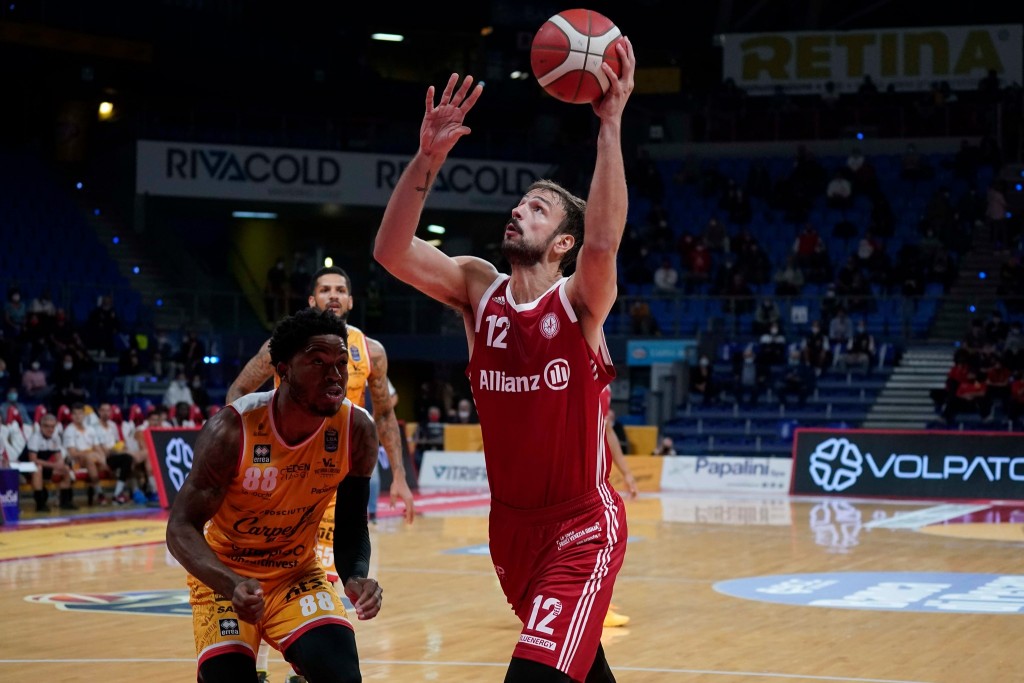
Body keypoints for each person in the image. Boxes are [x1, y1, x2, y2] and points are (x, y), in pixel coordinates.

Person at [373, 44, 634, 683]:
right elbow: (391, 251)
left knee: (534, 674)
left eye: (537, 209)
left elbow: (604, 242)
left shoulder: (578, 302)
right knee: (580, 671)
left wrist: (609, 124)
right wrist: (427, 159)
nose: (518, 210)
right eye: (520, 204)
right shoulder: (477, 289)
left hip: (582, 525)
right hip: (510, 530)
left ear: (563, 243)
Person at [166, 307, 384, 683]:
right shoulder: (231, 430)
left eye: (340, 363)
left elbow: (351, 526)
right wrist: (231, 584)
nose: (334, 375)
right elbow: (180, 528)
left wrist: (356, 576)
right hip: (225, 576)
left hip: (295, 575)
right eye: (318, 362)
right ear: (283, 370)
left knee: (342, 676)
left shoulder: (357, 429)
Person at [227, 265, 415, 683]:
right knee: (266, 561)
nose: (333, 295)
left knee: (329, 572)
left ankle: (308, 666)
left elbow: (385, 413)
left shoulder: (371, 351)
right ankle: (257, 664)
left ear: (350, 301)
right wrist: (240, 447)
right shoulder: (285, 345)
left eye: (341, 290)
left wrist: (400, 477)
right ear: (312, 300)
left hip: (336, 473)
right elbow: (239, 390)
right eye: (325, 289)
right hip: (284, 472)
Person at [23, 413, 77, 512]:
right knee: (37, 468)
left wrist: (61, 465)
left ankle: (65, 501)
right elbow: (33, 460)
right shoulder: (35, 438)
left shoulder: (55, 438)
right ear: (41, 426)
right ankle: (40, 504)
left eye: (52, 426)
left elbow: (58, 458)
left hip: (44, 466)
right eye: (47, 426)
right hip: (26, 468)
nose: (50, 429)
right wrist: (54, 465)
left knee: (66, 469)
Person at [62, 402, 110, 506]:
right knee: (89, 458)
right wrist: (90, 453)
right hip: (75, 461)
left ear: (84, 415)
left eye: (80, 414)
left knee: (100, 460)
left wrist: (102, 458)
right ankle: (100, 493)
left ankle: (106, 492)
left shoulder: (90, 429)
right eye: (75, 414)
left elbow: (98, 448)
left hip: (93, 459)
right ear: (71, 416)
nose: (78, 416)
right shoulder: (69, 430)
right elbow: (73, 453)